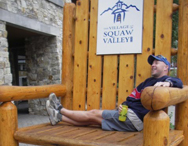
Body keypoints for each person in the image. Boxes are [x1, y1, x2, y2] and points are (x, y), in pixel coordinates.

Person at [46, 55, 183, 132]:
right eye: (152, 63)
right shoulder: (147, 81)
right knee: (94, 120)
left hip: (135, 119)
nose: (153, 65)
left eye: (157, 63)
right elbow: (131, 98)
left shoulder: (165, 80)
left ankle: (60, 109)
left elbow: (179, 83)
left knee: (93, 112)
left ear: (166, 68)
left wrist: (169, 83)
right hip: (127, 115)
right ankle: (58, 117)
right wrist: (122, 106)